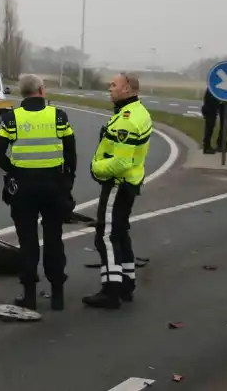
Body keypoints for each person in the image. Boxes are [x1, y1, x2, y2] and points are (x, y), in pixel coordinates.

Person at [0, 74, 77, 311]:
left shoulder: (11, 119)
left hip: (23, 188)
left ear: (22, 92)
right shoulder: (58, 116)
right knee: (54, 238)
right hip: (53, 186)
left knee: (27, 241)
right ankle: (57, 294)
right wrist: (67, 181)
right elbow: (71, 151)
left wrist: (13, 170)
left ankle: (29, 295)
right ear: (41, 90)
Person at [84, 72, 153, 309]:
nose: (109, 88)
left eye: (114, 85)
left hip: (118, 182)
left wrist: (96, 168)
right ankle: (126, 283)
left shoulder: (126, 119)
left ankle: (111, 290)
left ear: (128, 89)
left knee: (106, 235)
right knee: (121, 232)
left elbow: (122, 161)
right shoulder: (139, 112)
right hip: (130, 182)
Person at [201, 89, 227, 154]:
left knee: (226, 123)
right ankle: (207, 146)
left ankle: (222, 143)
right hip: (212, 102)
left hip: (223, 100)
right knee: (210, 125)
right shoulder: (212, 88)